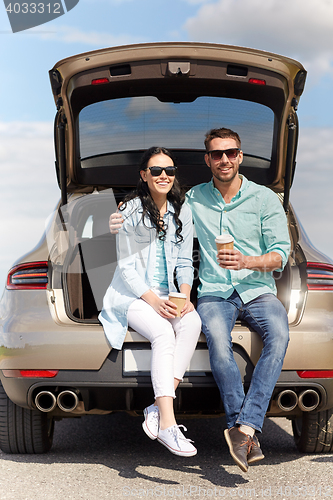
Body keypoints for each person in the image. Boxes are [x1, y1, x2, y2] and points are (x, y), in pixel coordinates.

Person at [110, 129, 290, 473]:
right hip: (215, 292)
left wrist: (248, 261)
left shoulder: (266, 199)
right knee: (219, 343)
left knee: (279, 335)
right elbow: (153, 211)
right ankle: (236, 428)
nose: (224, 159)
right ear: (207, 159)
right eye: (217, 154)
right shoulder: (192, 200)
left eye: (231, 153)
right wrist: (123, 211)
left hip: (257, 290)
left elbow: (282, 253)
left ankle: (245, 427)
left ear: (240, 156)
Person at [99, 146, 201, 457]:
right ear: (144, 175)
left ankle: (157, 407)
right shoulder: (128, 211)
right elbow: (127, 269)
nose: (164, 176)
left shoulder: (183, 212)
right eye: (156, 170)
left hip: (167, 294)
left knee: (193, 321)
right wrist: (155, 302)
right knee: (163, 333)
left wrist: (182, 297)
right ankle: (168, 426)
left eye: (169, 171)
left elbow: (185, 263)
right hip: (132, 296)